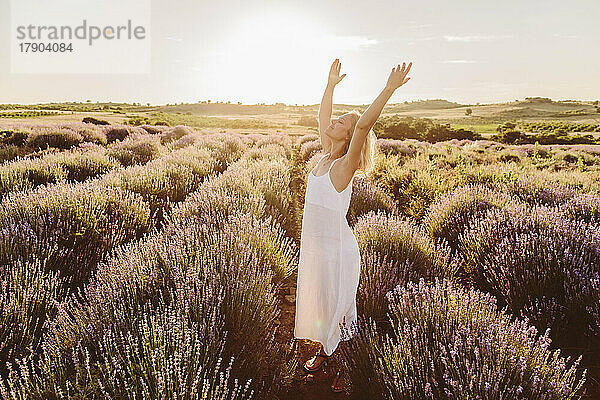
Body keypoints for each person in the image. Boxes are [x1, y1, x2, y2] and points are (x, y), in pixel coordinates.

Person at [293, 58, 412, 392]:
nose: (334, 122)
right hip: (316, 247)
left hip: (334, 248)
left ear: (347, 136)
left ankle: (344, 366)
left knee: (338, 306)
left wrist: (388, 90)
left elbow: (363, 127)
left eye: (342, 122)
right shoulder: (324, 155)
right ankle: (328, 355)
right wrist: (330, 84)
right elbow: (321, 116)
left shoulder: (343, 166)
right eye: (339, 118)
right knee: (320, 301)